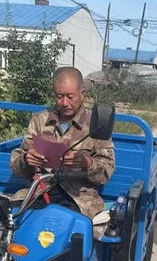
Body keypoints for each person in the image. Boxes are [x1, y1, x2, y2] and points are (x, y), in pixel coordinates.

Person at [10, 67, 115, 222]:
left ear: (82, 94)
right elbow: (16, 166)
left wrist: (87, 163)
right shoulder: (40, 120)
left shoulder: (96, 124)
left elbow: (107, 170)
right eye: (59, 97)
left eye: (70, 97)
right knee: (12, 220)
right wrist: (26, 160)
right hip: (40, 191)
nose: (65, 103)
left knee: (66, 227)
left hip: (78, 198)